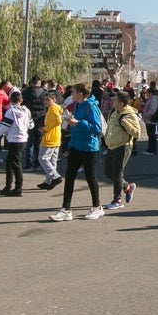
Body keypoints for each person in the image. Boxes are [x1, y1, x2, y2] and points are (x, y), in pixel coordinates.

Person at [53, 83, 106, 221]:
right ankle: (66, 209)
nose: (72, 94)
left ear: (81, 93)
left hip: (89, 147)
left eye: (74, 92)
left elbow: (96, 127)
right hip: (76, 145)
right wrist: (71, 122)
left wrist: (78, 123)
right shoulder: (77, 105)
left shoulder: (91, 107)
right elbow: (77, 124)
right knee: (69, 176)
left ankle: (97, 207)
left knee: (90, 178)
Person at [102, 92, 144, 210]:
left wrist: (126, 124)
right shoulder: (113, 112)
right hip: (111, 145)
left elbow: (137, 133)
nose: (113, 102)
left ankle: (117, 200)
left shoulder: (129, 115)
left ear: (121, 103)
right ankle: (127, 186)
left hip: (123, 146)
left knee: (117, 174)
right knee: (107, 172)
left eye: (115, 100)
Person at [0, 90, 33, 196]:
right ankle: (8, 186)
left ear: (10, 100)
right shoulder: (26, 110)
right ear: (21, 100)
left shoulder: (10, 112)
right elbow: (31, 125)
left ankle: (18, 188)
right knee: (10, 162)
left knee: (16, 164)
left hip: (14, 139)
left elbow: (4, 127)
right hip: (23, 139)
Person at [34, 94, 62, 190]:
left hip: (50, 137)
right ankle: (49, 181)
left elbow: (58, 120)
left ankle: (55, 176)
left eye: (48, 100)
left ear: (54, 99)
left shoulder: (53, 108)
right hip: (56, 137)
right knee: (52, 160)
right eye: (44, 100)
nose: (45, 102)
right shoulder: (55, 108)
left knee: (42, 158)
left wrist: (46, 128)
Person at [140, 85, 158, 156]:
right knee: (151, 135)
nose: (146, 94)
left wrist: (146, 115)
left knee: (151, 135)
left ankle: (152, 150)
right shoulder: (152, 99)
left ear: (150, 93)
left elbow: (152, 110)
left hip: (151, 119)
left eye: (147, 93)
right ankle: (151, 149)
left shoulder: (153, 100)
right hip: (149, 119)